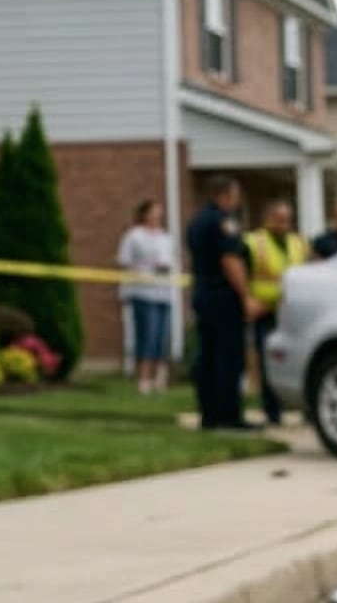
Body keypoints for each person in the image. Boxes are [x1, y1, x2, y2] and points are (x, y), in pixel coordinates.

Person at [185, 177, 251, 430]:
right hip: (224, 297)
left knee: (208, 356)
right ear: (224, 195)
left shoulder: (196, 222)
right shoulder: (224, 222)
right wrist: (245, 297)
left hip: (203, 293)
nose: (236, 202)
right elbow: (230, 261)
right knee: (228, 357)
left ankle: (209, 414)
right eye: (235, 196)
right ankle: (229, 415)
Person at [243, 200, 311, 426]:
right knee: (268, 360)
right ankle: (272, 410)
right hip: (264, 311)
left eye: (287, 219)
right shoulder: (254, 242)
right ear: (268, 218)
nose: (284, 224)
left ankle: (304, 408)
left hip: (292, 311)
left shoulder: (298, 243)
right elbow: (244, 275)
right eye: (279, 219)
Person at [115, 199, 180, 395]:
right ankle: (143, 379)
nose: (156, 216)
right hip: (142, 292)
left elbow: (172, 260)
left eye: (159, 212)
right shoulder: (134, 236)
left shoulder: (166, 238)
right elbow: (123, 261)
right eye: (153, 212)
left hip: (164, 292)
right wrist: (145, 269)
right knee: (147, 336)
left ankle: (159, 378)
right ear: (143, 214)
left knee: (162, 337)